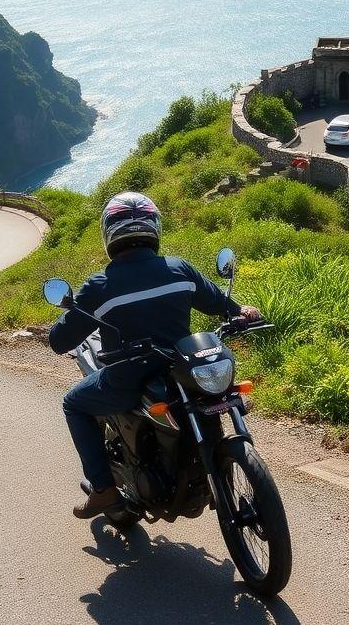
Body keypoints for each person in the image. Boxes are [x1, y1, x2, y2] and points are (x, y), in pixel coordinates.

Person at [48, 191, 261, 519]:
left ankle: (103, 490)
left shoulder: (100, 286)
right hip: (181, 371)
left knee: (73, 404)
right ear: (153, 227)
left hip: (127, 381)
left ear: (110, 233)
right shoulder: (179, 269)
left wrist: (69, 309)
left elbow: (60, 341)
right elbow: (219, 304)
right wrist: (241, 311)